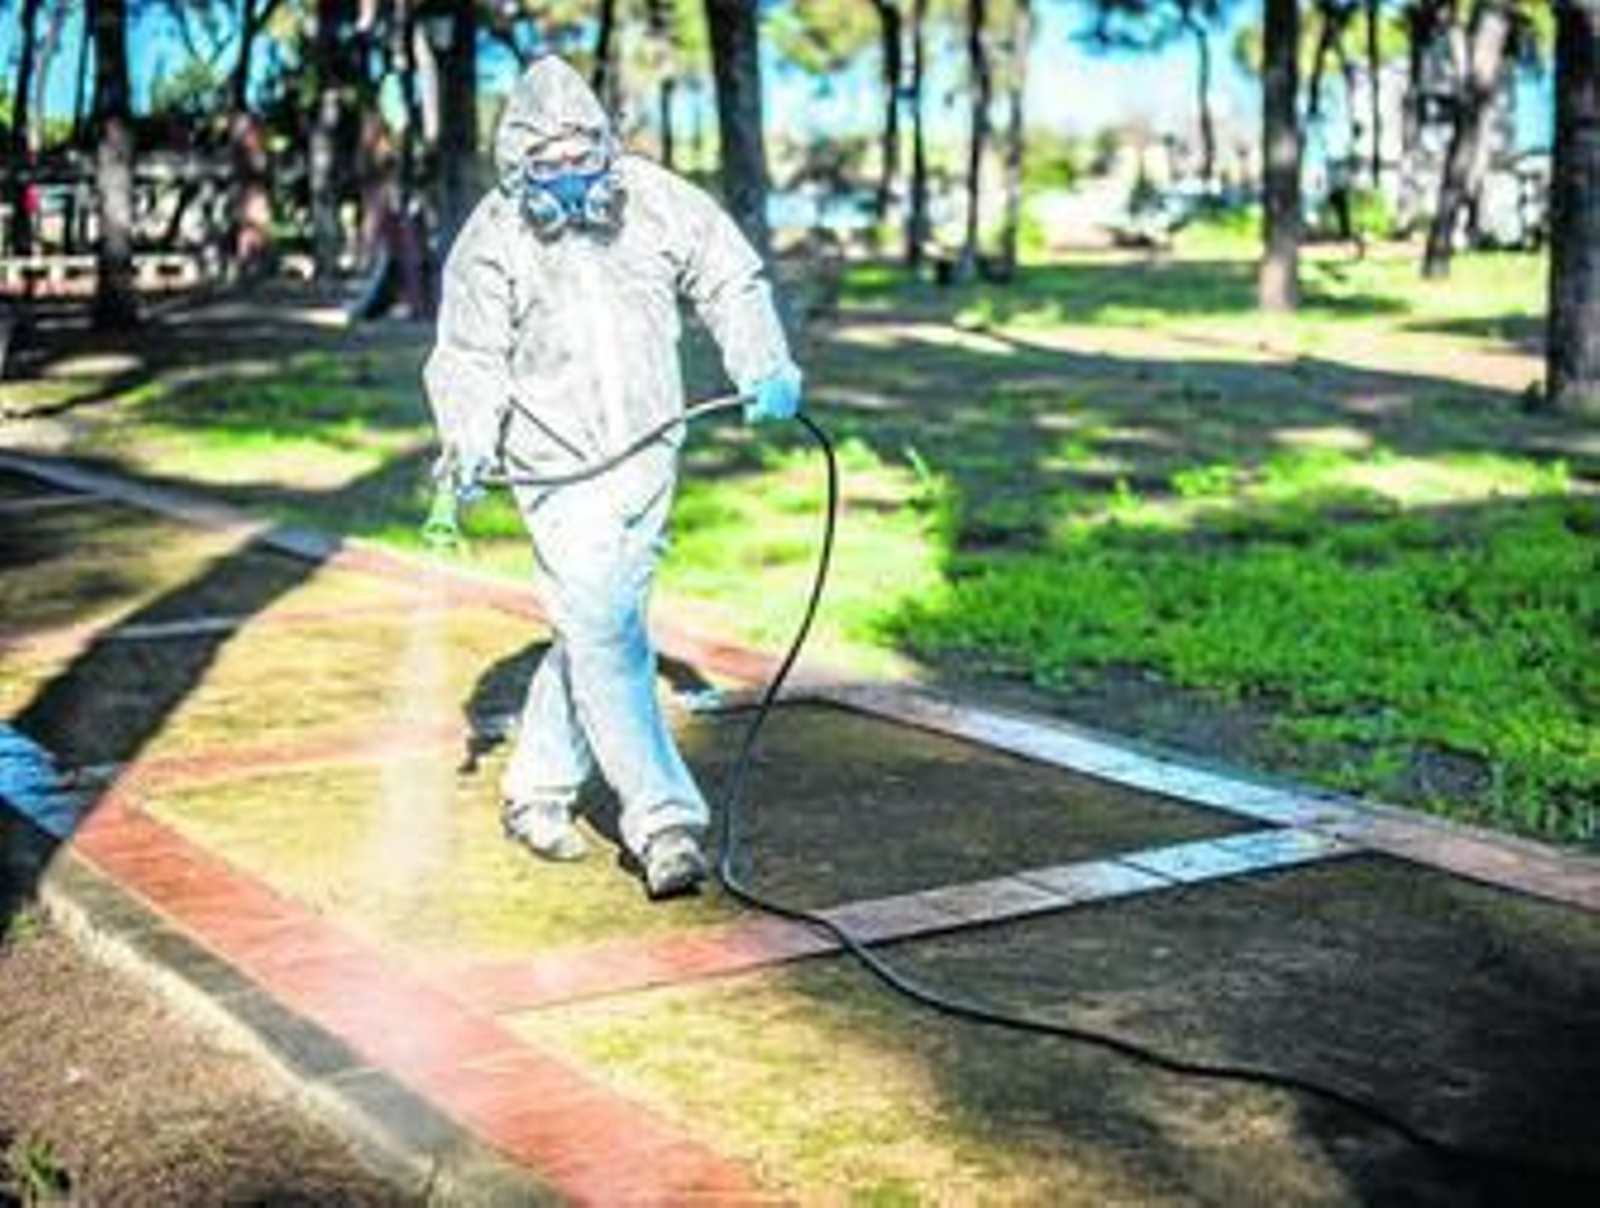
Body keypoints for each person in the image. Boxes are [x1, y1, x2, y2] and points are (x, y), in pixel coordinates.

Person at [422, 56, 803, 899]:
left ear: (607, 147)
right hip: (554, 464)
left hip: (651, 450)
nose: (569, 175)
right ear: (520, 166)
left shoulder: (659, 200)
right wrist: (469, 437)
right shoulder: (493, 236)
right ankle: (664, 819)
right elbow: (469, 357)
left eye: (582, 154)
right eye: (548, 164)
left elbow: (730, 279)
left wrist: (763, 361)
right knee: (605, 625)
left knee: (593, 628)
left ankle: (536, 791)